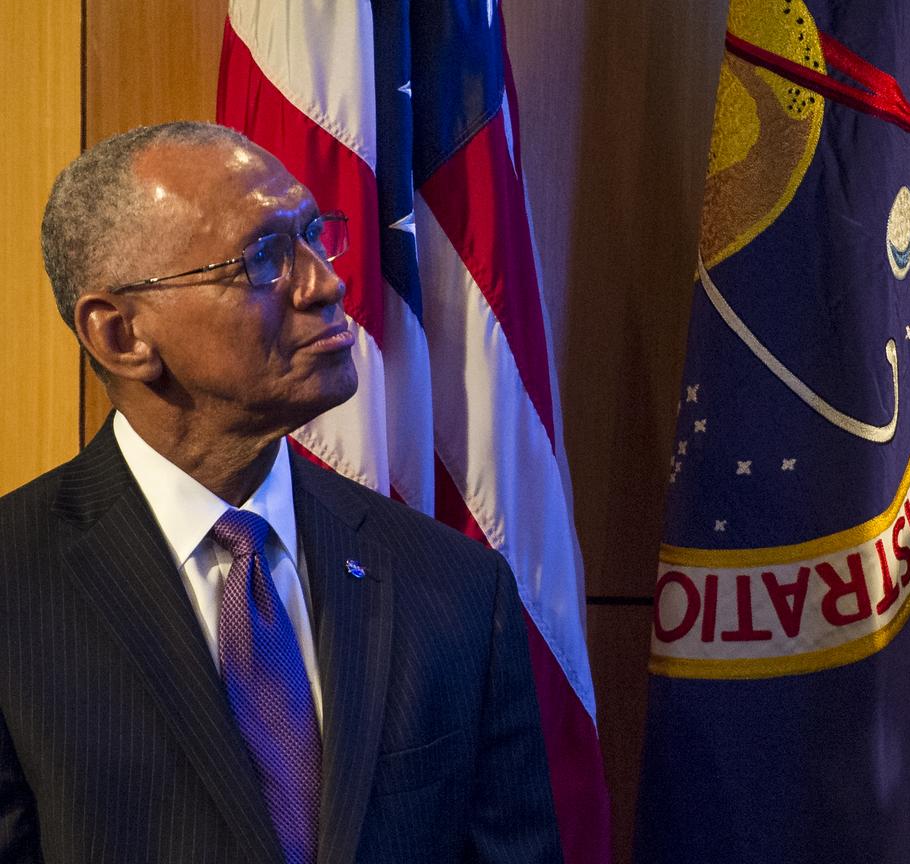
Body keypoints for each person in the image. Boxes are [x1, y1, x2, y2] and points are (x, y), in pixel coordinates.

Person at [0, 121, 563, 863]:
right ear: (121, 336)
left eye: (313, 236)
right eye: (264, 258)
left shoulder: (455, 585)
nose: (326, 283)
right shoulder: (17, 581)